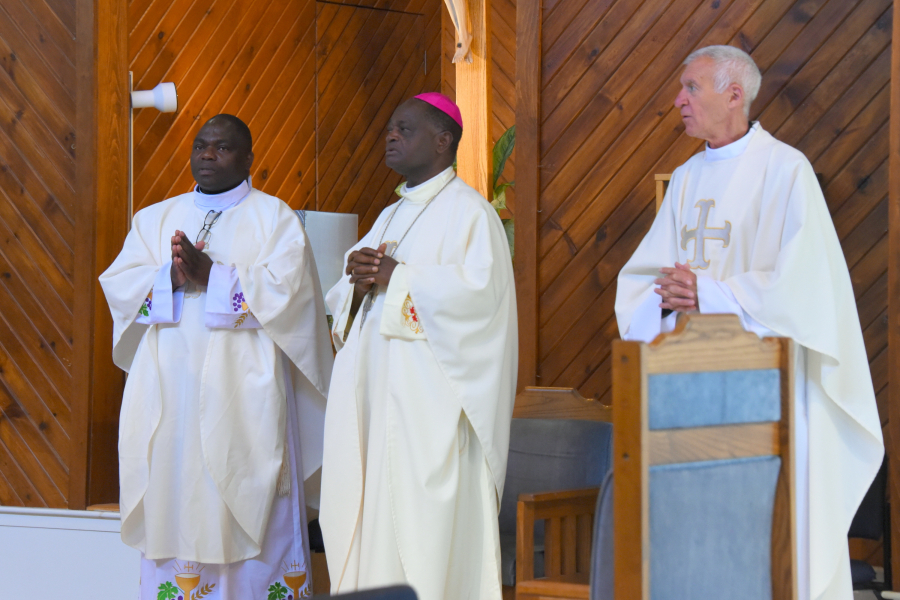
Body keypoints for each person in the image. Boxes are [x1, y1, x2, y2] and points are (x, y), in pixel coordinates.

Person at [615, 46, 883, 600]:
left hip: (769, 393)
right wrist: (666, 301)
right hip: (691, 393)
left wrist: (709, 292)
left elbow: (804, 289)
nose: (678, 101)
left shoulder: (787, 170)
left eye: (691, 88)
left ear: (733, 94)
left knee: (772, 538)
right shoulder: (686, 179)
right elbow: (643, 281)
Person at [99, 114, 333, 600]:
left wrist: (218, 276)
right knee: (176, 492)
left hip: (244, 396)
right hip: (170, 393)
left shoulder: (276, 220)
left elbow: (291, 293)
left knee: (245, 493)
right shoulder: (156, 218)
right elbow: (120, 286)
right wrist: (173, 278)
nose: (208, 155)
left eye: (223, 148)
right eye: (201, 146)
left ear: (249, 159)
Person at [319, 93, 518, 600]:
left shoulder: (472, 215)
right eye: (389, 128)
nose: (390, 136)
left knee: (423, 538)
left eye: (404, 129)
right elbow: (344, 300)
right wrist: (359, 283)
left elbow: (480, 304)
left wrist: (398, 278)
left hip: (428, 418)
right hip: (374, 407)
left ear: (442, 139)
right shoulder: (389, 215)